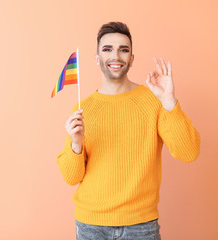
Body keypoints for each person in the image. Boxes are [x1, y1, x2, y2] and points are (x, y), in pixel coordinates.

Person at [56, 22, 201, 240]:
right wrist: (75, 144)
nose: (116, 56)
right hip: (91, 226)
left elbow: (189, 152)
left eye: (123, 49)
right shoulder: (82, 108)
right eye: (107, 49)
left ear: (131, 58)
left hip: (141, 226)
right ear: (97, 59)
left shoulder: (153, 101)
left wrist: (170, 101)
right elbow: (71, 177)